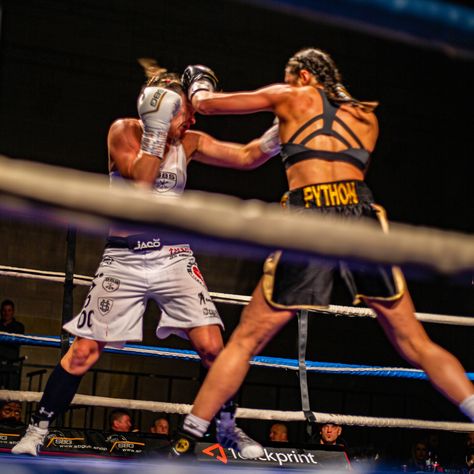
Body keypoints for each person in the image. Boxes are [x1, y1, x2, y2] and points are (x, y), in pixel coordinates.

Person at [169, 48, 474, 457]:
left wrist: (198, 83)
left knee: (244, 341)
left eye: (293, 78)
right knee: (415, 343)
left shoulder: (292, 95)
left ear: (305, 76)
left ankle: (186, 440)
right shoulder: (367, 116)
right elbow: (317, 147)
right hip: (362, 216)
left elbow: (208, 106)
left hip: (310, 217)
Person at [11, 63, 280, 458]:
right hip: (124, 260)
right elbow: (140, 180)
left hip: (174, 256)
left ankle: (226, 428)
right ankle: (38, 428)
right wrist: (155, 131)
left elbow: (245, 156)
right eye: (185, 112)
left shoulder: (190, 142)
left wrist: (279, 136)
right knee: (83, 352)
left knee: (212, 348)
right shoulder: (124, 131)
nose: (190, 121)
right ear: (162, 108)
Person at [0, 299, 25, 390]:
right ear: (1, 312)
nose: (6, 313)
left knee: (11, 395)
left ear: (13, 312)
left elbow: (15, 344)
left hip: (11, 364)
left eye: (9, 310)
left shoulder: (19, 326)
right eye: (4, 310)